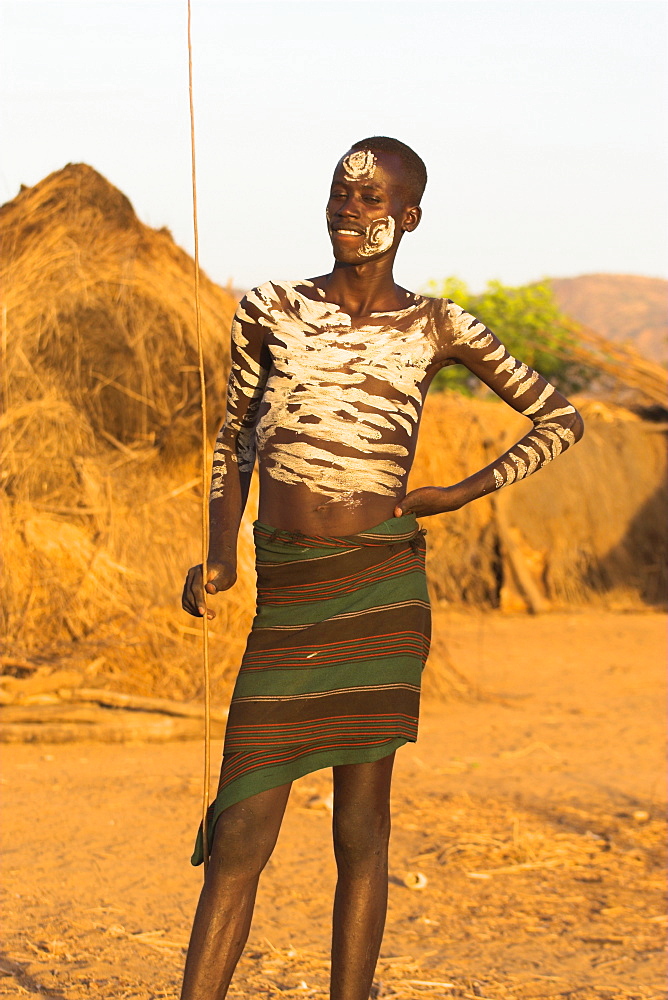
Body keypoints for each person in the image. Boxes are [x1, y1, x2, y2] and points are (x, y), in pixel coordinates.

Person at [180, 136, 584, 1000]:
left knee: (362, 829)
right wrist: (219, 553)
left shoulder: (438, 324)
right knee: (242, 829)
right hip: (289, 592)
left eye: (370, 201)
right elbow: (234, 439)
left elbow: (560, 418)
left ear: (409, 218)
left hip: (380, 590)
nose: (349, 211)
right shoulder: (271, 309)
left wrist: (459, 491)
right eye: (339, 193)